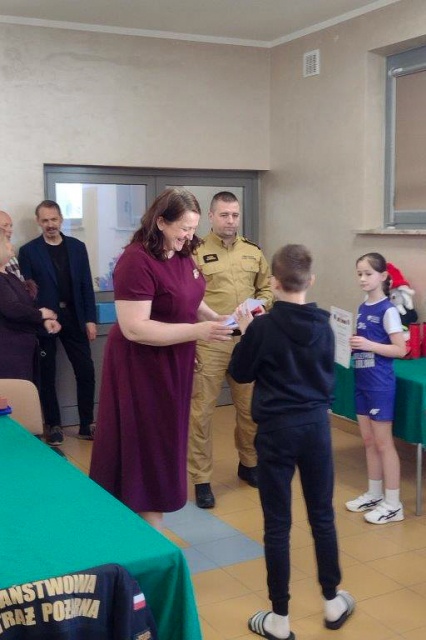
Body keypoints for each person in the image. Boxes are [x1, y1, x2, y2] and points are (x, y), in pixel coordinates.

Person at [228, 244, 355, 640]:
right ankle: (332, 601)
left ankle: (279, 618)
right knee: (322, 516)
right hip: (316, 427)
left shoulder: (262, 327)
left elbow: (240, 373)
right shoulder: (325, 325)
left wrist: (246, 333)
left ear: (273, 282)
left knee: (277, 525)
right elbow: (325, 374)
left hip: (276, 432)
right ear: (310, 280)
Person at [89, 187, 233, 530]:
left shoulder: (181, 252)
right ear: (160, 222)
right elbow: (134, 328)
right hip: (142, 367)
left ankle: (149, 519)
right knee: (147, 447)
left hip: (174, 362)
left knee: (166, 442)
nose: (189, 236)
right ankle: (145, 526)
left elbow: (188, 297)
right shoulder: (136, 260)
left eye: (193, 228)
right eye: (183, 228)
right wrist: (197, 332)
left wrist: (215, 318)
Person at [188, 191, 273, 509]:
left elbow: (267, 287)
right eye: (224, 215)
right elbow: (186, 298)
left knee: (250, 409)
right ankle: (201, 479)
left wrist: (258, 306)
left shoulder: (253, 252)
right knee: (201, 414)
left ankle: (249, 464)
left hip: (245, 342)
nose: (230, 220)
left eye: (235, 215)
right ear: (211, 216)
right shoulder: (194, 252)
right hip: (209, 342)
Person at [19, 200, 97, 446]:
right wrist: (39, 317)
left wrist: (90, 319)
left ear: (61, 219)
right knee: (47, 373)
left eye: (54, 219)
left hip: (75, 317)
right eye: (45, 220)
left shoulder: (77, 247)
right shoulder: (28, 251)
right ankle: (53, 425)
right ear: (38, 222)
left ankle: (86, 424)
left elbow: (86, 285)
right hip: (46, 320)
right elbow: (27, 292)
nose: (50, 224)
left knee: (86, 370)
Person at [346, 252, 406, 524]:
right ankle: (374, 493)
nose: (362, 279)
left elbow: (400, 349)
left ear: (383, 276)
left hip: (380, 384)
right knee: (369, 441)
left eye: (368, 274)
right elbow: (365, 341)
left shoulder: (388, 310)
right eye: (359, 273)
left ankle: (393, 504)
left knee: (384, 443)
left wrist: (369, 345)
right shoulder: (363, 307)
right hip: (362, 380)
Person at [0, 230, 60, 382]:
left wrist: (43, 321)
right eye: (7, 241)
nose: (11, 245)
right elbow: (11, 308)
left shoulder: (10, 275)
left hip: (22, 350)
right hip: (9, 353)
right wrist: (41, 314)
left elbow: (26, 305)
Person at [0, 209, 24, 280]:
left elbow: (20, 280)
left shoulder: (11, 255)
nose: (10, 230)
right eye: (5, 225)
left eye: (10, 226)